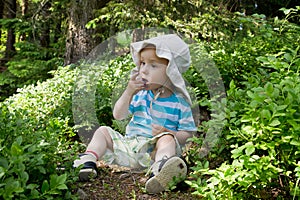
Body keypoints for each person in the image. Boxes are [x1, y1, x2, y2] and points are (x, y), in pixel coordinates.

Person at [73, 34, 197, 194]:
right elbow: (118, 115)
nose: (144, 69)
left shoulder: (180, 103)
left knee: (166, 139)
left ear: (171, 72)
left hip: (154, 152)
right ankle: (87, 161)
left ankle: (161, 170)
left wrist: (170, 133)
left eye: (153, 65)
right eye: (143, 63)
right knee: (103, 131)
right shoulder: (140, 95)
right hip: (130, 147)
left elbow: (188, 133)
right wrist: (129, 92)